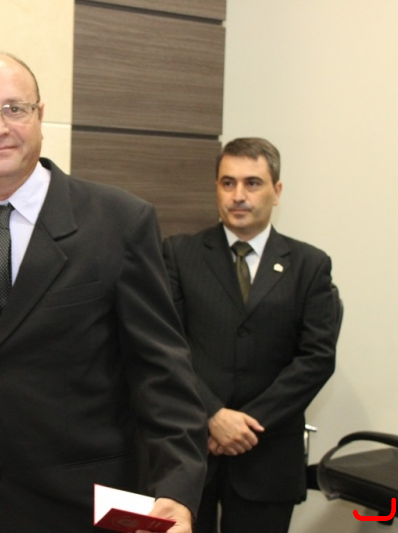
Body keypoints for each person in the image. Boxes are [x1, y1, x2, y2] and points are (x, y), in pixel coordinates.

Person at [0, 51, 207, 533]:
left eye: (14, 108)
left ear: (40, 115)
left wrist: (176, 488)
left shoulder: (119, 221)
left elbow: (162, 375)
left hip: (84, 509)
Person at [162, 137, 337, 533]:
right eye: (228, 183)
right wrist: (213, 414)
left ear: (277, 191)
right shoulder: (178, 254)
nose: (238, 195)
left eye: (252, 183)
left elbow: (317, 358)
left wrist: (247, 424)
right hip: (190, 449)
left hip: (268, 454)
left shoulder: (309, 265)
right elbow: (167, 348)